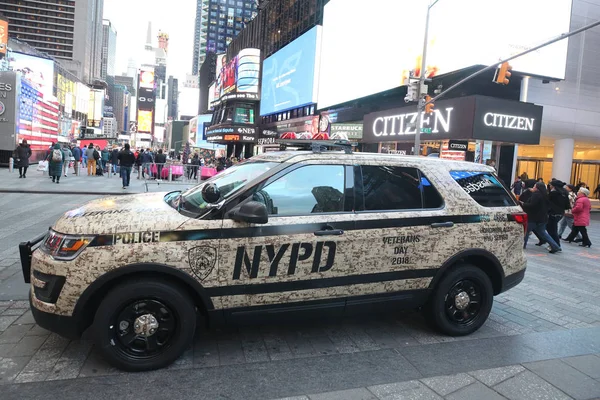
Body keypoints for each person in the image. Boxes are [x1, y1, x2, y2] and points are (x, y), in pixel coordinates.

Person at [520, 182, 562, 254]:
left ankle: (522, 245)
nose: (533, 187)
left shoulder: (536, 195)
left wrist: (523, 203)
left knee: (526, 231)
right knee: (543, 233)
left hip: (533, 217)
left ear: (537, 188)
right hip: (543, 218)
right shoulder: (545, 195)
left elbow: (532, 205)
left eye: (534, 186)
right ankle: (555, 246)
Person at [545, 179, 569, 248]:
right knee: (552, 229)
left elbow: (547, 202)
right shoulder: (564, 193)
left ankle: (555, 245)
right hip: (560, 213)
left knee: (552, 230)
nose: (549, 186)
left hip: (553, 213)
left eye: (550, 185)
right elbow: (567, 205)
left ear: (553, 186)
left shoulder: (553, 193)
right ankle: (554, 243)